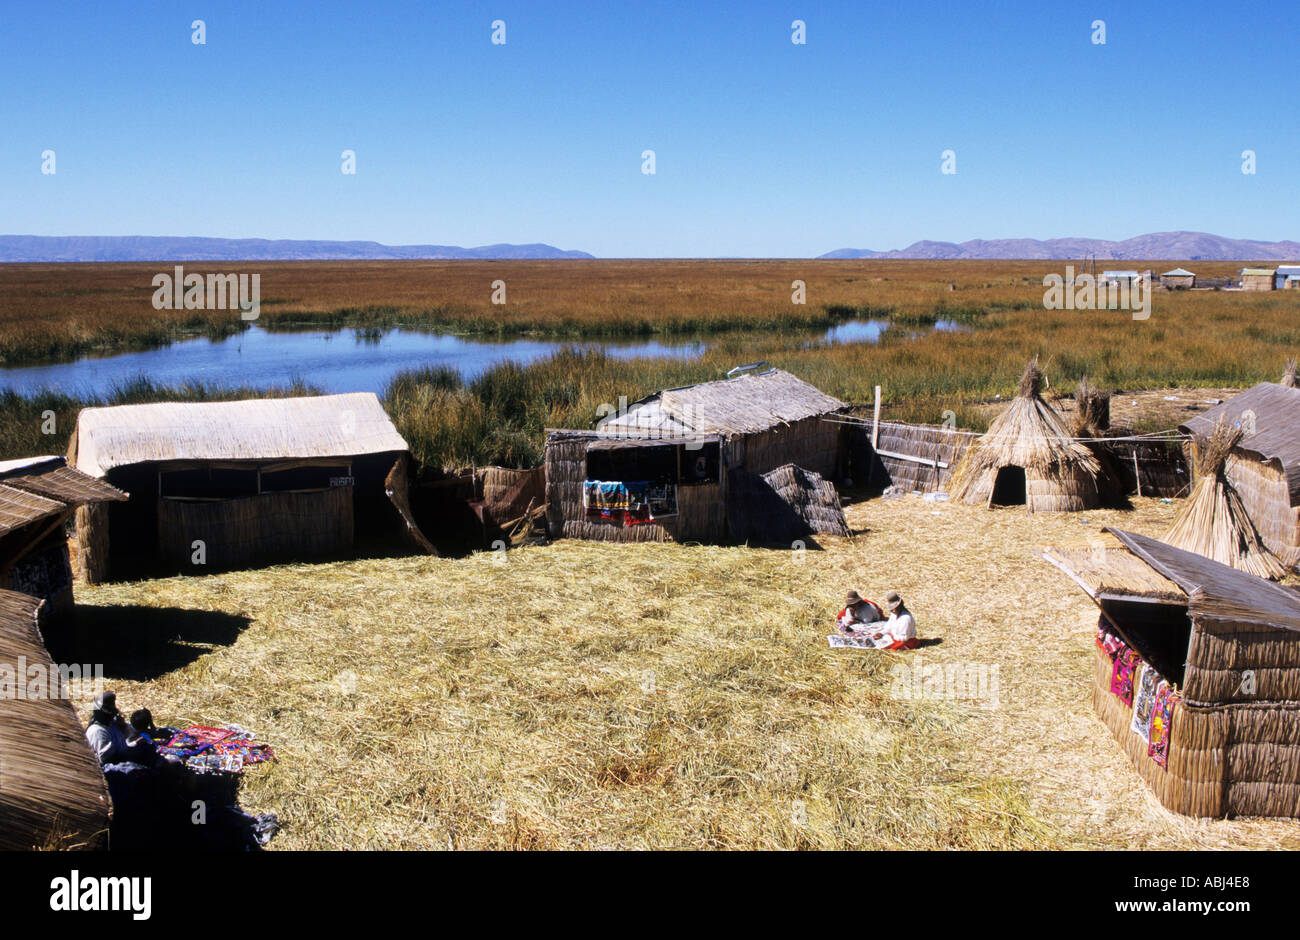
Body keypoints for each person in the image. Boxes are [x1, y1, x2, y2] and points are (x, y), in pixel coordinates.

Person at [85, 691, 132, 766]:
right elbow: (107, 759)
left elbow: (126, 740)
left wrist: (124, 727)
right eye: (109, 712)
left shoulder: (113, 724)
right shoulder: (97, 731)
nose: (112, 715)